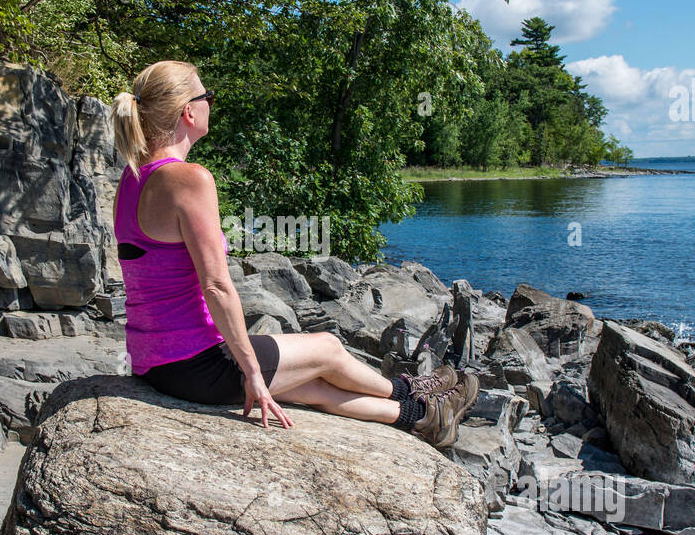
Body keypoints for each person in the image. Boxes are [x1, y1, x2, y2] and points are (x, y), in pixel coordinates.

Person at [110, 59, 479, 446]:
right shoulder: (188, 180)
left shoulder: (131, 179)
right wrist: (251, 371)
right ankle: (412, 391)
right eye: (209, 97)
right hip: (200, 365)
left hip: (155, 364)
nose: (210, 105)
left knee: (313, 385)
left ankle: (423, 417)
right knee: (328, 348)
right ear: (188, 110)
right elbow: (217, 286)